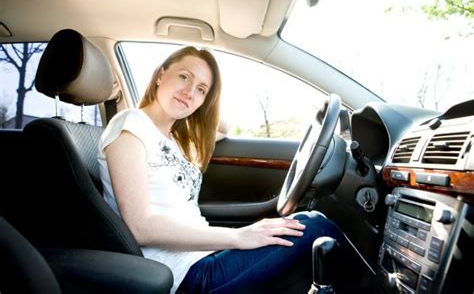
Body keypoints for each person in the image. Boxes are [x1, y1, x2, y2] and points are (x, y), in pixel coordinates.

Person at [98, 46, 352, 293]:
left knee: (304, 237)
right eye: (183, 76)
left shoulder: (174, 138)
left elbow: (222, 128)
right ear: (161, 75)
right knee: (315, 228)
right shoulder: (130, 125)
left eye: (201, 89)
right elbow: (140, 228)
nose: (189, 92)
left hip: (204, 254)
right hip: (184, 275)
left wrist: (200, 105)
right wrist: (238, 237)